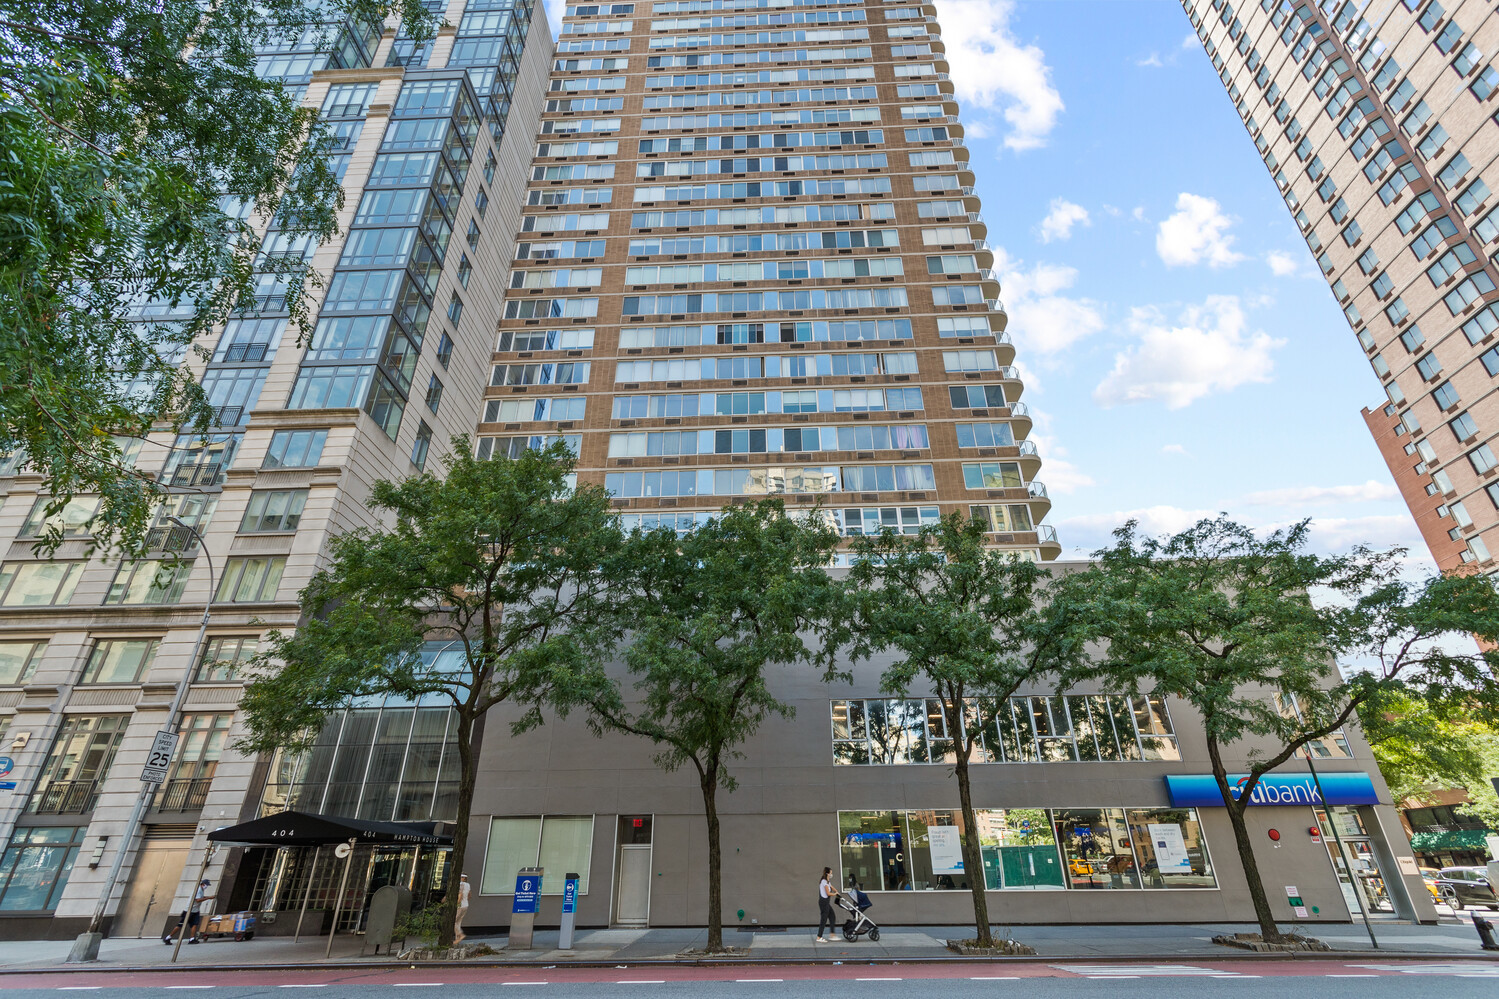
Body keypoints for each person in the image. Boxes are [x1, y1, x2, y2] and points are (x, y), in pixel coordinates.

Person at [163, 879, 213, 945]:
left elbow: (201, 897)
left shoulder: (201, 890)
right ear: (203, 884)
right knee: (180, 925)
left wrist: (208, 897)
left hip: (195, 911)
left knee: (195, 924)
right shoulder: (198, 890)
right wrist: (208, 898)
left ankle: (192, 939)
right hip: (189, 911)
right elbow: (197, 900)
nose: (206, 887)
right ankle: (168, 937)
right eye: (206, 885)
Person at [815, 866, 838, 943]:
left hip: (826, 902)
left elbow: (832, 887)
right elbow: (828, 893)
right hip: (823, 902)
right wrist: (835, 894)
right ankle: (819, 937)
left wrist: (837, 892)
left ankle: (832, 935)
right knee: (823, 920)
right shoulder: (824, 881)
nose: (831, 874)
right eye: (831, 873)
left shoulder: (828, 882)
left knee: (832, 916)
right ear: (827, 873)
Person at [454, 873, 471, 943]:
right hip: (466, 905)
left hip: (460, 906)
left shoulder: (461, 884)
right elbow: (469, 895)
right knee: (458, 922)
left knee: (453, 921)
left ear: (463, 878)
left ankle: (460, 935)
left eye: (461, 877)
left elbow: (460, 895)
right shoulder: (468, 885)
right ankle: (457, 939)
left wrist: (457, 904)